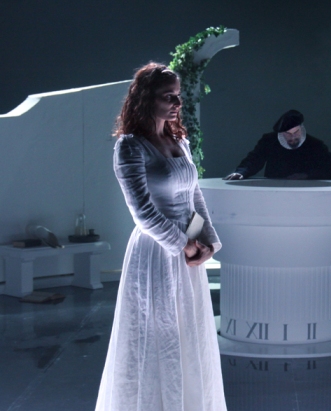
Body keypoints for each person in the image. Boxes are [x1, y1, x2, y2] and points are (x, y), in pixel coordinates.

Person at [95, 62, 227, 411]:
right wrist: (184, 244)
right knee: (157, 335)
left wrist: (209, 243)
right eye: (168, 96)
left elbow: (194, 197)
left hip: (189, 253)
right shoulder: (130, 147)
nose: (177, 103)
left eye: (178, 96)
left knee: (189, 333)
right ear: (145, 98)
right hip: (155, 253)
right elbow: (142, 212)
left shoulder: (179, 140)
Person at [223, 109, 331, 180]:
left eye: (296, 132)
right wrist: (241, 173)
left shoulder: (315, 145)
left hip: (306, 192)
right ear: (281, 133)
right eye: (288, 134)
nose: (293, 137)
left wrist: (307, 175)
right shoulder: (269, 141)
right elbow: (254, 160)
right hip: (274, 191)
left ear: (302, 129)